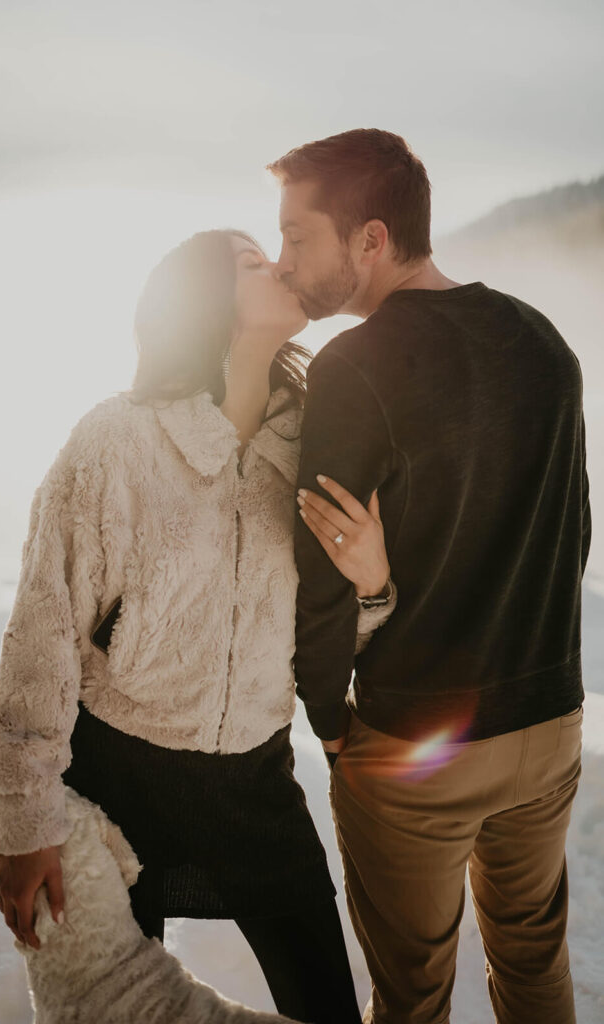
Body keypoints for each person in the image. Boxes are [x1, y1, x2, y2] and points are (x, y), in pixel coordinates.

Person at [0, 228, 397, 1024]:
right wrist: (22, 823)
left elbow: (330, 636)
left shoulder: (315, 445)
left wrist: (373, 588)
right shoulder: (115, 440)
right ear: (206, 302)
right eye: (250, 261)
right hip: (115, 778)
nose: (278, 262)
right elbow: (41, 637)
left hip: (256, 784)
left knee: (326, 1006)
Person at [267, 129, 590, 1024]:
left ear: (370, 238)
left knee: (410, 997)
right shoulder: (543, 339)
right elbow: (574, 537)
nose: (287, 260)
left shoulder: (354, 367)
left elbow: (318, 575)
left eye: (299, 237)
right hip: (550, 724)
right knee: (533, 967)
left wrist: (331, 725)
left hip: (416, 746)